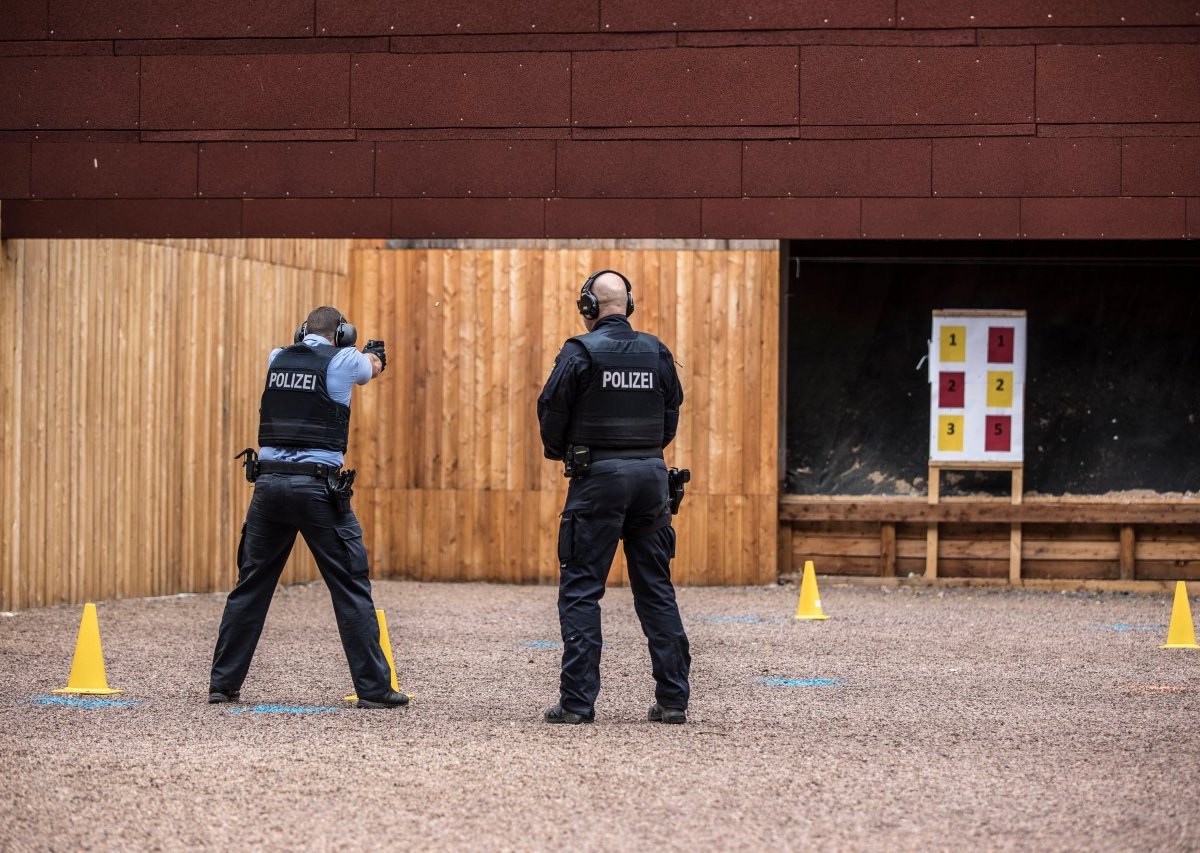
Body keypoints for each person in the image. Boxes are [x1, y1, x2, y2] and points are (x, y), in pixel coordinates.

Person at [208, 306, 407, 709]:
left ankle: (222, 684)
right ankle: (374, 690)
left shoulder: (276, 357)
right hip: (317, 489)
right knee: (350, 586)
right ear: (343, 334)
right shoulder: (346, 359)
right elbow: (370, 368)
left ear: (302, 331)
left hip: (267, 487)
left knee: (251, 586)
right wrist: (377, 354)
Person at [536, 270, 691, 725]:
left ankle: (578, 703)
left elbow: (551, 411)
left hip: (597, 478)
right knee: (656, 590)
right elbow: (672, 409)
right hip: (650, 478)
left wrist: (564, 452)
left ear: (588, 307)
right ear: (629, 305)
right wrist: (648, 452)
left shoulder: (578, 352)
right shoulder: (656, 351)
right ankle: (674, 701)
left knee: (582, 590)